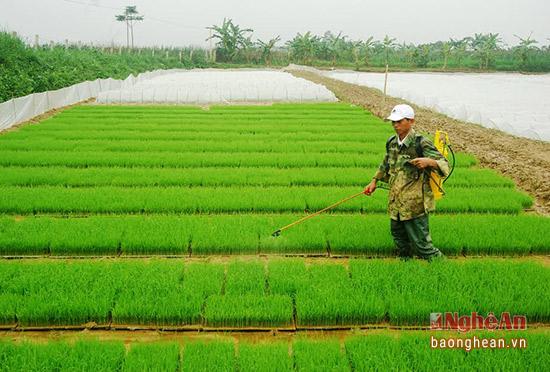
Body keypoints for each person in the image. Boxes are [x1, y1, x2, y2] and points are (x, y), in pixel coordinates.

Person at [364, 104, 449, 260]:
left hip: (415, 204)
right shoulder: (392, 142)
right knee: (400, 241)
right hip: (396, 201)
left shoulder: (421, 142)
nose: (395, 125)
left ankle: (443, 267)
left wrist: (429, 161)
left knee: (422, 245)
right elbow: (386, 163)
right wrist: (374, 181)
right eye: (393, 122)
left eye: (399, 121)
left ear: (411, 121)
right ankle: (406, 267)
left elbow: (444, 164)